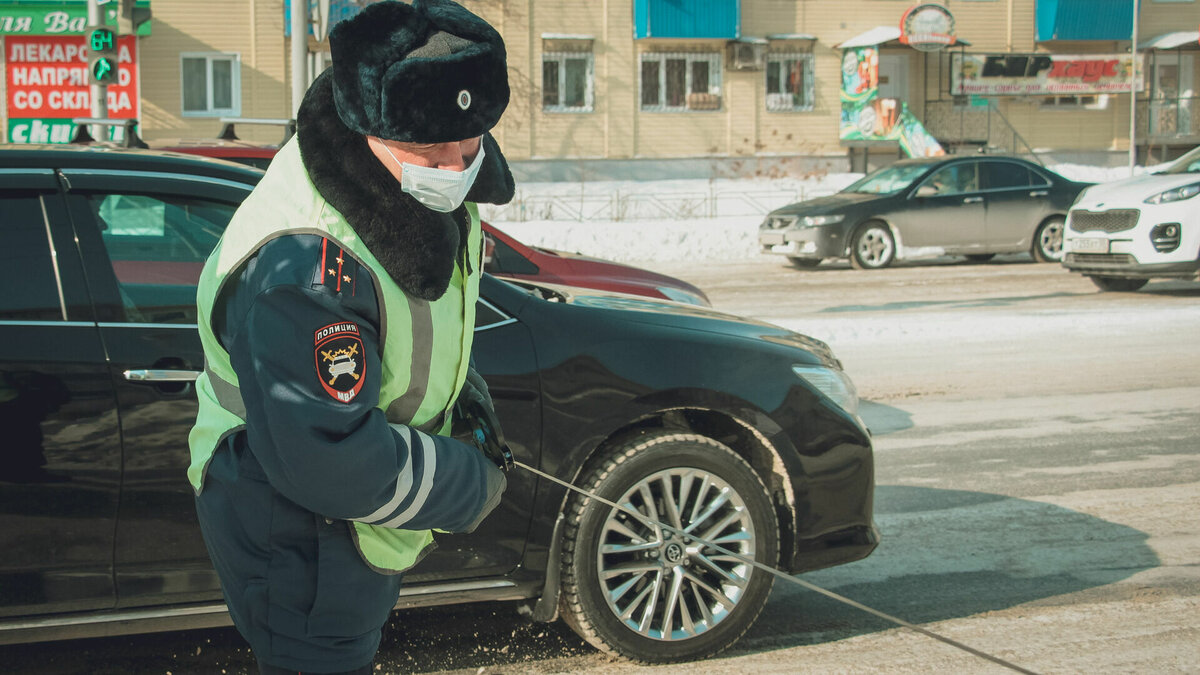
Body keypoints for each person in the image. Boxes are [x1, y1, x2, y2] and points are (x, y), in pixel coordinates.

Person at [187, 1, 514, 672]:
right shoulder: (304, 268)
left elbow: (416, 325)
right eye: (433, 151)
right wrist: (467, 482)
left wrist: (463, 395)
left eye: (470, 143)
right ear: (374, 124)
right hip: (298, 531)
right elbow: (325, 459)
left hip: (353, 524)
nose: (455, 168)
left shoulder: (413, 173)